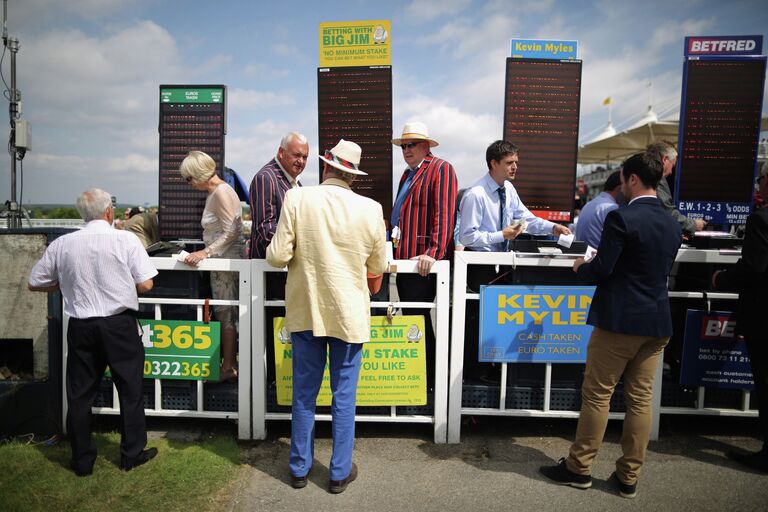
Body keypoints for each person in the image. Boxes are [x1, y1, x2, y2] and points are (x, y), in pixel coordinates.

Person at [539, 151, 682, 499]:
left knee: (598, 395)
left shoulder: (622, 217)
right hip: (657, 322)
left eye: (622, 178)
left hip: (619, 321)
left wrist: (579, 268)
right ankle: (629, 477)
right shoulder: (672, 222)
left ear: (631, 178)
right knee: (641, 400)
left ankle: (579, 468)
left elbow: (603, 268)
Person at [266, 139, 387, 493]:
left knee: (304, 394)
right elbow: (377, 267)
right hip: (348, 316)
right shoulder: (370, 209)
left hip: (307, 310)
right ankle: (338, 472)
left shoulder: (298, 198)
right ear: (353, 174)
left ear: (326, 167)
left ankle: (299, 468)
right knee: (344, 397)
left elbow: (276, 256)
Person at [28, 188, 158, 476]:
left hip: (82, 325)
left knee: (80, 395)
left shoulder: (63, 244)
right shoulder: (124, 239)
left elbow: (35, 282)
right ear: (109, 211)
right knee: (130, 391)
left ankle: (82, 461)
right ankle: (131, 454)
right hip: (119, 325)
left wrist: (62, 284)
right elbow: (147, 284)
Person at [458, 140, 572, 380]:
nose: (514, 167)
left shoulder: (508, 190)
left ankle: (494, 369)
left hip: (502, 266)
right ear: (493, 164)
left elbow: (526, 218)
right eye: (509, 163)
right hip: (481, 267)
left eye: (516, 163)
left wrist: (553, 228)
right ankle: (474, 373)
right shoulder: (475, 194)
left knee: (497, 321)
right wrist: (502, 235)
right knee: (478, 321)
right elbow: (467, 235)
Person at [390, 121, 458, 382]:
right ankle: (423, 377)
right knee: (412, 318)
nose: (406, 150)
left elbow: (445, 214)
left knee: (417, 318)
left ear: (426, 146)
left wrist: (434, 251)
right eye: (403, 145)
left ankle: (431, 378)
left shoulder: (441, 168)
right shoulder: (407, 175)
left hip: (424, 261)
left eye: (411, 145)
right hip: (405, 259)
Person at [712, 162, 768, 472]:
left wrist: (721, 279)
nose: (758, 185)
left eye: (760, 179)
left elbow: (753, 268)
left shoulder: (761, 219)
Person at [248, 132, 309, 385]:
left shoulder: (295, 182)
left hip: (285, 269)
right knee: (273, 328)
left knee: (284, 327)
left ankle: (280, 384)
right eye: (296, 155)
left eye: (305, 156)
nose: (301, 161)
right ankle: (272, 388)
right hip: (270, 270)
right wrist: (301, 248)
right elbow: (265, 229)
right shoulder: (267, 178)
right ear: (281, 152)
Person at [179, 150, 245, 382]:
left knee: (226, 314)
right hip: (222, 262)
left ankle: (228, 367)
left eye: (189, 178)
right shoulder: (217, 192)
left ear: (198, 174)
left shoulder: (221, 192)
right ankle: (230, 363)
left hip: (227, 263)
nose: (189, 184)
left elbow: (233, 231)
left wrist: (205, 252)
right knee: (225, 313)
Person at [647, 141, 706, 237]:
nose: (671, 172)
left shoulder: (641, 174)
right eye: (672, 166)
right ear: (665, 159)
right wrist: (694, 224)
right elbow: (668, 213)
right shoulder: (656, 179)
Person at [574, 170, 623, 249]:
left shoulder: (589, 204)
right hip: (596, 257)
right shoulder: (611, 208)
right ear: (619, 188)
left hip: (583, 255)